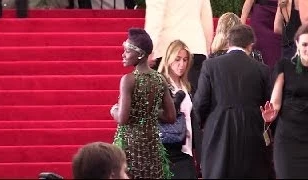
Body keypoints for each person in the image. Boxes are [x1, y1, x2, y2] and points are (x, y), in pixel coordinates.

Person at [193, 24, 272, 178]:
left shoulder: (210, 65)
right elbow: (267, 105)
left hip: (218, 132)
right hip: (252, 134)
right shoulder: (262, 69)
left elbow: (200, 104)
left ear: (228, 43)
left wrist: (204, 126)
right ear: (250, 45)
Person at [110, 28, 176, 179]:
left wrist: (113, 110)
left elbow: (122, 118)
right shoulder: (160, 79)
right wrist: (149, 112)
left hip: (130, 146)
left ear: (139, 54)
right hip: (152, 146)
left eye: (127, 51)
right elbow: (171, 116)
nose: (123, 55)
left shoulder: (128, 80)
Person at [260, 24, 308, 179]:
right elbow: (276, 102)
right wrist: (271, 115)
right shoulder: (285, 66)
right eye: (305, 44)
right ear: (297, 45)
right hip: (288, 141)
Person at [144, 0, 213, 97]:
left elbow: (155, 16)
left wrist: (149, 48)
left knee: (165, 102)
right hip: (196, 46)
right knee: (195, 99)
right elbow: (206, 16)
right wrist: (207, 47)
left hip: (167, 50)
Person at [158, 40, 202, 179]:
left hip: (186, 148)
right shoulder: (161, 82)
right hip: (168, 148)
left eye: (185, 60)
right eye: (177, 59)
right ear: (168, 59)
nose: (181, 64)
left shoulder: (187, 86)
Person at [241, 0, 281, 69]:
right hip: (260, 18)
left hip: (279, 17)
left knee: (276, 51)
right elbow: (249, 1)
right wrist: (241, 25)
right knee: (259, 48)